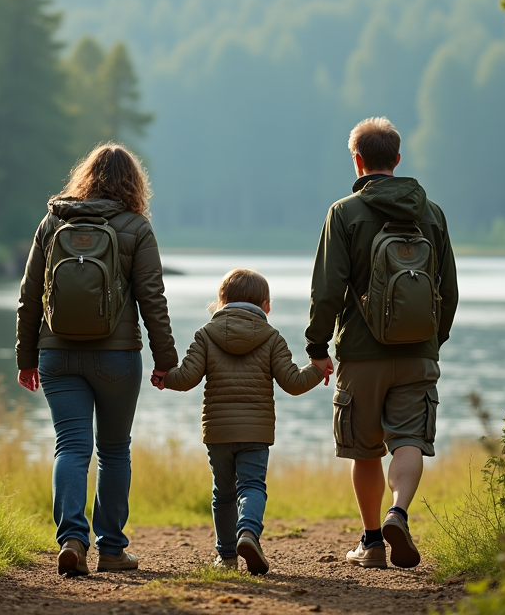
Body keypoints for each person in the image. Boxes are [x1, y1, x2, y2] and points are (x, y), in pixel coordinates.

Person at [15, 143, 179, 576]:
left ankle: (71, 538)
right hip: (117, 357)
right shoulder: (136, 227)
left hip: (56, 355)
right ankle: (111, 549)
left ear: (84, 176)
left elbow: (30, 296)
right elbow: (152, 299)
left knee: (70, 446)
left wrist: (25, 357)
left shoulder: (53, 222)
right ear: (134, 182)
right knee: (113, 450)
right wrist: (166, 360)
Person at [305, 117, 458, 570]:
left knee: (364, 448)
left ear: (357, 160)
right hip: (418, 351)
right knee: (409, 438)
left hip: (361, 352)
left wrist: (317, 346)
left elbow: (328, 290)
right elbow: (447, 289)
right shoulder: (431, 213)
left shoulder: (344, 212)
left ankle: (372, 543)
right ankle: (399, 513)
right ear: (396, 159)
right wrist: (432, 340)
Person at [154, 268, 328, 574]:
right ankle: (248, 532)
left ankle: (227, 556)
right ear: (267, 305)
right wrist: (317, 369)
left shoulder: (206, 334)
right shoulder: (272, 337)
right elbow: (293, 383)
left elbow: (186, 378)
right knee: (252, 486)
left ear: (221, 300)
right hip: (256, 431)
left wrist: (164, 379)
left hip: (218, 431)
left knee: (223, 493)